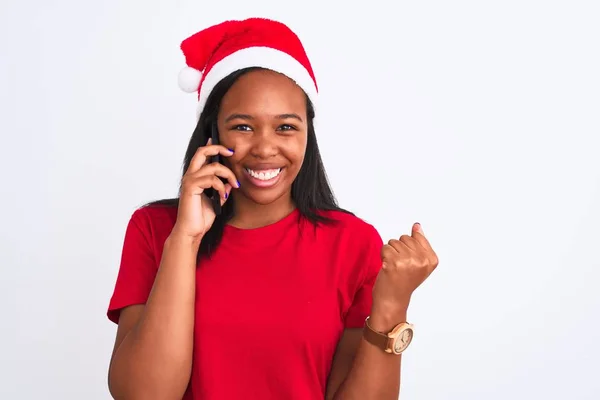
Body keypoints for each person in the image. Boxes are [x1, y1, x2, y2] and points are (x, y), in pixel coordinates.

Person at [106, 17, 438, 400]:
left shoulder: (352, 242)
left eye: (285, 127)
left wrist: (392, 305)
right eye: (243, 127)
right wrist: (185, 239)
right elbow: (143, 395)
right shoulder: (156, 228)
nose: (265, 149)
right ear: (212, 133)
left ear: (307, 135)